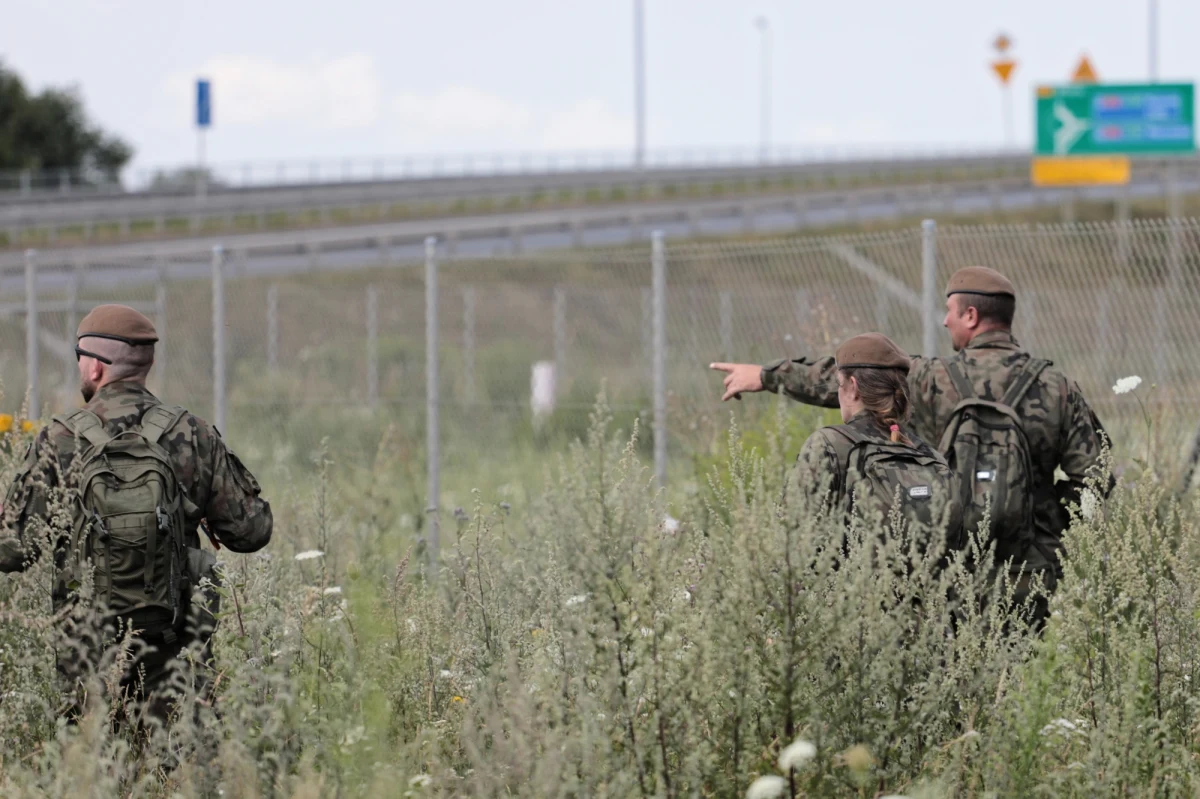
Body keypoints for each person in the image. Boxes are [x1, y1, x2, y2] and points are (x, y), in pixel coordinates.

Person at [712, 266, 1111, 624]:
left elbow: (851, 377)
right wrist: (1049, 524)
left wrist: (766, 376)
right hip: (1029, 569)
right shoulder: (1058, 389)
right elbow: (1098, 475)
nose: (944, 321)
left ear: (971, 316)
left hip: (954, 571)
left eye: (951, 312)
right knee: (1024, 688)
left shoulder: (932, 378)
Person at [0, 304, 273, 727]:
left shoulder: (59, 438)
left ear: (93, 367)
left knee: (91, 770)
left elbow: (11, 549)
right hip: (175, 643)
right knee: (183, 766)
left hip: (86, 651)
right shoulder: (192, 433)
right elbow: (251, 531)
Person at [793, 332, 960, 560]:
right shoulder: (929, 455)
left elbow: (794, 541)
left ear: (853, 387)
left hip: (854, 593)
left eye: (839, 385)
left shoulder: (829, 446)